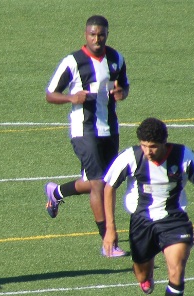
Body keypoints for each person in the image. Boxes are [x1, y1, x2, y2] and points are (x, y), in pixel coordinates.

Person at [103, 118, 194, 296]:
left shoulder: (184, 156)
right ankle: (147, 274)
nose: (148, 151)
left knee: (176, 269)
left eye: (152, 147)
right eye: (144, 146)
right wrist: (110, 229)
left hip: (174, 221)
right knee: (141, 274)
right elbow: (109, 186)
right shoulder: (132, 157)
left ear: (164, 143)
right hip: (141, 222)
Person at [44, 15, 130, 257]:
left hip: (110, 129)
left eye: (101, 35)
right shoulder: (73, 61)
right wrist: (71, 98)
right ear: (86, 35)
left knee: (104, 181)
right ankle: (108, 242)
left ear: (107, 35)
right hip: (84, 130)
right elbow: (50, 94)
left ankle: (56, 192)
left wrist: (121, 93)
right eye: (92, 34)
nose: (97, 39)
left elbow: (123, 86)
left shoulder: (116, 59)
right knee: (99, 184)